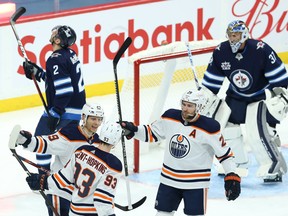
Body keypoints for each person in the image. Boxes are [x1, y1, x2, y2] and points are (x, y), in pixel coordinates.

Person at [120, 89, 241, 216]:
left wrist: (232, 175)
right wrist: (132, 130)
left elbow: (225, 154)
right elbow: (151, 133)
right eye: (183, 104)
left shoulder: (210, 127)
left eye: (189, 106)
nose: (185, 108)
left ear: (199, 107)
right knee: (161, 213)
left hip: (195, 184)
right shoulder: (170, 116)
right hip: (169, 180)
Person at [201, 20, 288, 182]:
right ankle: (236, 164)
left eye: (236, 35)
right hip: (236, 96)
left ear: (245, 34)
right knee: (227, 127)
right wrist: (204, 97)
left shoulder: (261, 50)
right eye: (230, 35)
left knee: (258, 130)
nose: (233, 39)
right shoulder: (221, 51)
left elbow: (281, 80)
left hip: (260, 96)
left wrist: (282, 99)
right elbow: (211, 83)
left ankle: (273, 165)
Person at [15, 103, 104, 216]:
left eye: (99, 119)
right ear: (83, 117)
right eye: (93, 118)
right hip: (60, 193)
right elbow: (47, 143)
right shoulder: (69, 135)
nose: (96, 123)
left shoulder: (97, 141)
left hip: (79, 197)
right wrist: (27, 141)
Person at [23, 25, 86, 176]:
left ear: (57, 40)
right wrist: (38, 73)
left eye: (55, 33)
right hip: (75, 109)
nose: (52, 33)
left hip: (64, 109)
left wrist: (55, 113)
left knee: (41, 142)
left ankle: (44, 179)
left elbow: (65, 91)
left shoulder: (55, 59)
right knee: (64, 146)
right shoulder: (70, 54)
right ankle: (65, 178)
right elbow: (56, 82)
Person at [25, 121, 123, 216]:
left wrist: (43, 181)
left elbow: (63, 178)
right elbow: (102, 200)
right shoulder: (113, 165)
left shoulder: (82, 151)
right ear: (116, 141)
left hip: (74, 211)